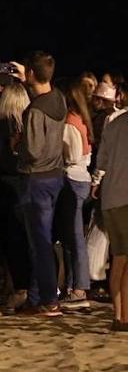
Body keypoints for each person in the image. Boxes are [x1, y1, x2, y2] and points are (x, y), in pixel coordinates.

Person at [17, 51, 68, 316]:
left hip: (35, 177)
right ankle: (38, 298)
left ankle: (49, 299)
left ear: (31, 74)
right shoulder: (58, 98)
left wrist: (18, 146)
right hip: (55, 175)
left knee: (39, 242)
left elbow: (34, 150)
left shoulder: (35, 110)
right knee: (43, 239)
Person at [0, 79, 33, 309]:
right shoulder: (28, 123)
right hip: (26, 184)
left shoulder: (3, 124)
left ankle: (17, 288)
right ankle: (20, 286)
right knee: (24, 238)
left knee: (9, 240)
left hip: (5, 186)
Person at [93, 102, 128, 331]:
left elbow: (101, 162)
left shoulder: (114, 123)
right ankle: (125, 316)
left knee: (119, 258)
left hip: (111, 198)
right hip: (125, 197)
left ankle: (118, 315)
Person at [59, 79, 94, 308]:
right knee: (73, 237)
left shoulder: (71, 122)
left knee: (75, 237)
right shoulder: (82, 120)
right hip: (81, 178)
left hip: (73, 178)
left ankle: (80, 288)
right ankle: (74, 286)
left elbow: (71, 155)